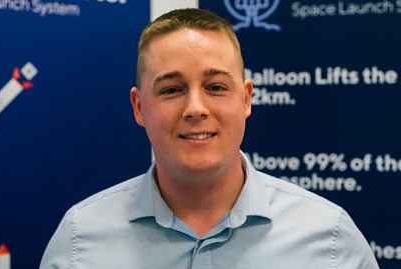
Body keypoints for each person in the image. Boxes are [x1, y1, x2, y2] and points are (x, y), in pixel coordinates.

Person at [40, 8, 379, 269]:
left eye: (216, 87)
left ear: (246, 99)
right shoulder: (78, 241)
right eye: (172, 90)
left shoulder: (330, 240)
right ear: (139, 107)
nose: (195, 108)